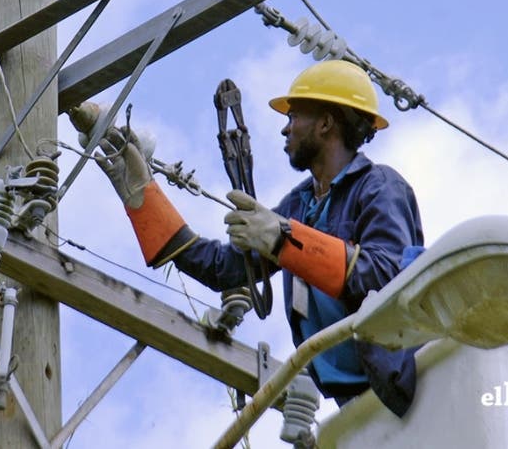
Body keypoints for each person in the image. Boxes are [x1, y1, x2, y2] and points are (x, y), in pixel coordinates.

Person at [69, 59, 424, 417]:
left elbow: (386, 276)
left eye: (294, 117)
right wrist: (144, 199)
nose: (286, 130)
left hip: (409, 390)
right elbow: (222, 268)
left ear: (326, 123)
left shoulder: (378, 186)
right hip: (356, 405)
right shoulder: (300, 206)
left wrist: (284, 240)